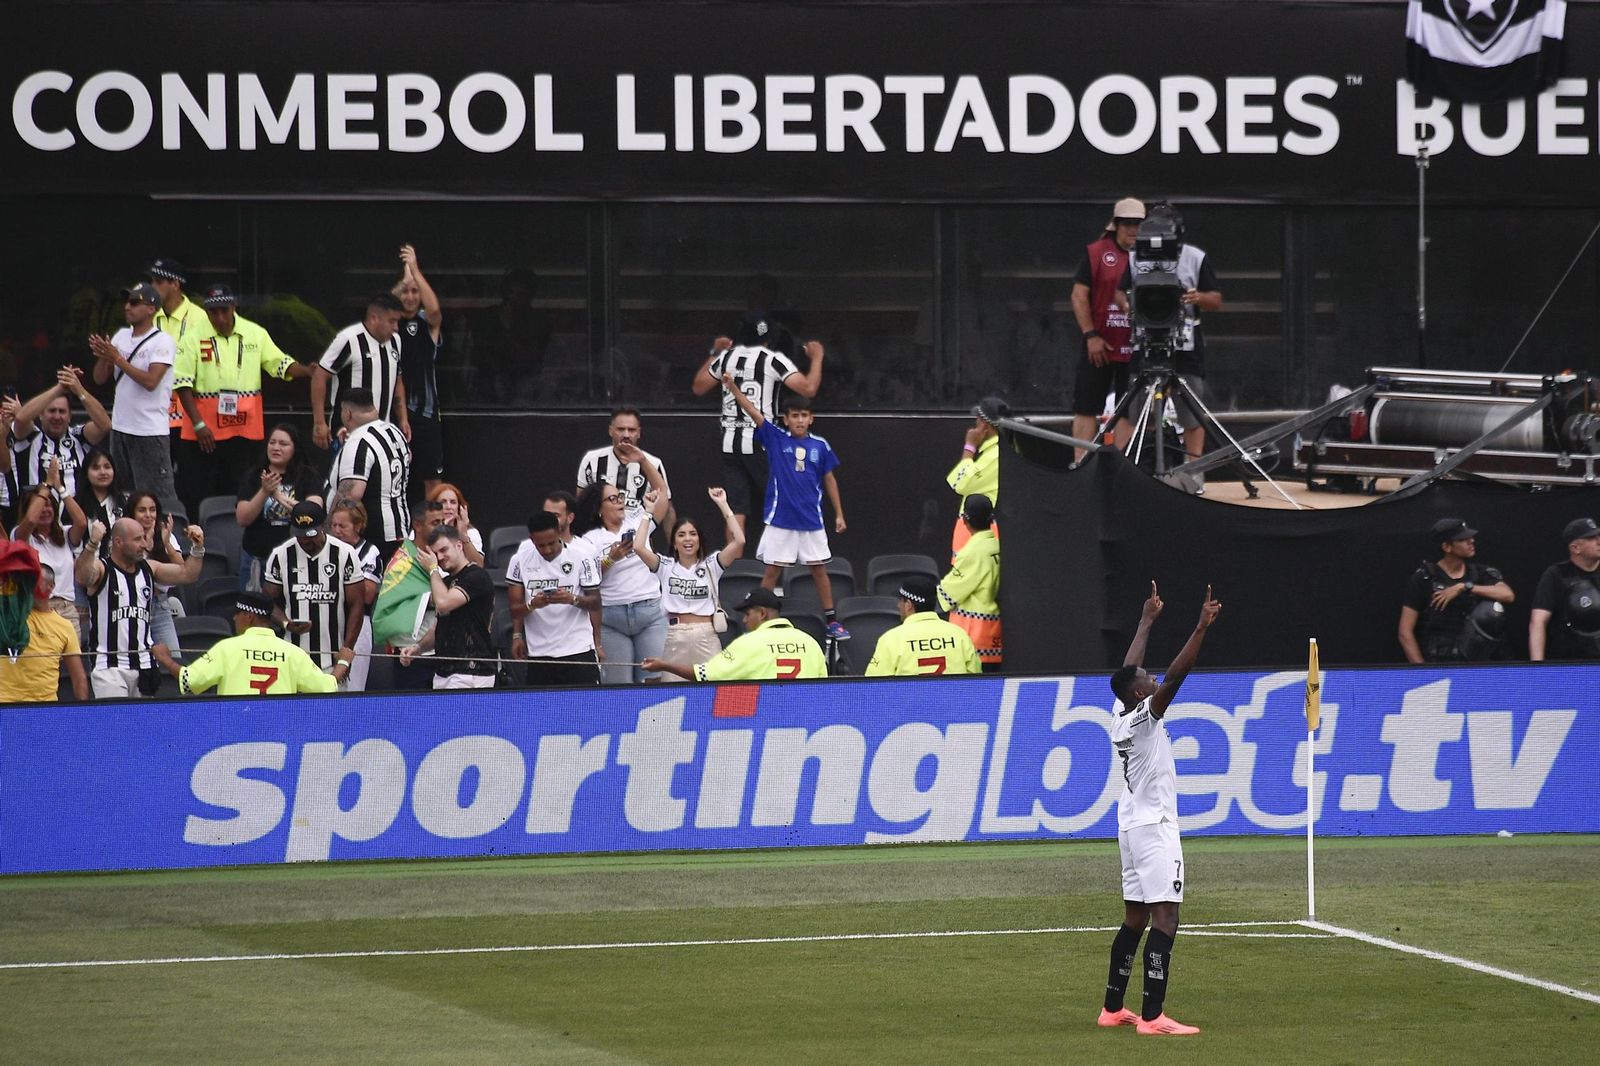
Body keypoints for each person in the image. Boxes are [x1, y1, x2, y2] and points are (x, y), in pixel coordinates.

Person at [1099, 581, 1221, 1037]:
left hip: (1131, 825)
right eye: (1146, 682)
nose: (1151, 681)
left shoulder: (1119, 713)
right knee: (1165, 916)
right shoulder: (1145, 718)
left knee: (1135, 917)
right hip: (1155, 826)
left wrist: (1146, 620)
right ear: (1139, 696)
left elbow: (1129, 670)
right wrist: (1200, 628)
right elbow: (1175, 677)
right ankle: (1153, 1017)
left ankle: (1113, 1008)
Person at [721, 372, 850, 641]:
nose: (799, 420)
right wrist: (732, 387)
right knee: (772, 571)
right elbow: (753, 412)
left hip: (811, 520)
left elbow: (829, 479)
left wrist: (839, 514)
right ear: (786, 419)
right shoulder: (776, 438)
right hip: (781, 519)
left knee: (819, 570)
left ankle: (831, 620)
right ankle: (757, 621)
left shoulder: (820, 446)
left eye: (804, 415)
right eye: (794, 415)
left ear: (811, 419)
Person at [171, 284, 312, 519]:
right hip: (204, 432)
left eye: (224, 311)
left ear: (234, 307)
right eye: (213, 312)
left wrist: (306, 371)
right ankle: (199, 533)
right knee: (199, 488)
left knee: (241, 485)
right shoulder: (192, 337)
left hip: (243, 429)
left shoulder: (255, 333)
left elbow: (279, 364)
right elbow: (182, 383)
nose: (220, 318)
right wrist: (198, 424)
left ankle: (236, 531)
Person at [1118, 203, 1224, 489]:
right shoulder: (1134, 258)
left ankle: (1193, 472)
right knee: (1141, 413)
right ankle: (1145, 467)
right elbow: (1119, 292)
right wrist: (1129, 305)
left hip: (1184, 342)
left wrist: (1197, 298)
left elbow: (1216, 299)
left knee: (1191, 413)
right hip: (1145, 341)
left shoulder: (1195, 258)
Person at [691, 313, 824, 533]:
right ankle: (785, 552)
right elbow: (808, 389)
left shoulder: (727, 358)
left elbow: (698, 387)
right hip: (762, 443)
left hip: (730, 443)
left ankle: (734, 554)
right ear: (769, 338)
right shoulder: (772, 360)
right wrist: (817, 358)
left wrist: (715, 352)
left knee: (736, 510)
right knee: (783, 499)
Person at [74, 516, 202, 698]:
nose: (144, 544)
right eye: (137, 539)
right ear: (118, 542)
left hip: (145, 665)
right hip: (109, 667)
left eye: (143, 537)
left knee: (143, 717)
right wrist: (92, 543)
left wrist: (197, 548)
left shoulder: (149, 568)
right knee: (118, 716)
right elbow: (82, 576)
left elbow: (187, 574)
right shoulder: (103, 568)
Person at [635, 487, 746, 677]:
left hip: (706, 634)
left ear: (699, 539)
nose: (688, 539)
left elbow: (739, 541)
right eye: (681, 534)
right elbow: (638, 546)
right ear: (674, 542)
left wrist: (723, 505)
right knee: (673, 689)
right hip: (674, 634)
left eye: (693, 534)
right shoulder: (665, 566)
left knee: (711, 684)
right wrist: (648, 511)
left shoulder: (712, 564)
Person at [88, 282, 180, 513]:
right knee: (123, 494)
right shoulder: (121, 336)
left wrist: (118, 359)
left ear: (151, 308)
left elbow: (151, 381)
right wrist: (104, 356)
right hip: (120, 428)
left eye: (135, 302)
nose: (128, 307)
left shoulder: (163, 341)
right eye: (127, 302)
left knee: (155, 498)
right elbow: (99, 378)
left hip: (148, 431)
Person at [576, 472, 671, 684]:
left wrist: (642, 460)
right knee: (618, 685)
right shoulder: (590, 539)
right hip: (612, 617)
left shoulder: (638, 520)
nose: (620, 501)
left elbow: (663, 493)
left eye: (620, 496)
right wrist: (611, 558)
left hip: (649, 611)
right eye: (612, 499)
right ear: (599, 508)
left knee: (652, 681)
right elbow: (588, 578)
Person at [1071, 198, 1144, 461]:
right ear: (1116, 225)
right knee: (1086, 407)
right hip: (1099, 345)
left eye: (1138, 224)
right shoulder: (1097, 252)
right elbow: (1079, 295)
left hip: (1135, 347)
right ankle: (1080, 464)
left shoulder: (1152, 257)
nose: (1133, 229)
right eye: (1127, 224)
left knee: (1128, 411)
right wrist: (1090, 335)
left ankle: (1119, 466)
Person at [263, 501, 363, 687]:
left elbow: (357, 604)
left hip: (332, 660)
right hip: (292, 660)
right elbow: (268, 601)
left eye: (310, 535)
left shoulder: (345, 554)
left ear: (323, 526)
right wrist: (286, 623)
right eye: (300, 535)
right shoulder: (281, 555)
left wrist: (346, 650)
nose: (305, 540)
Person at [645, 586, 827, 681]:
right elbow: (824, 689)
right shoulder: (810, 642)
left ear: (762, 614)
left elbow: (705, 675)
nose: (745, 620)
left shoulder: (749, 643)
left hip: (765, 722)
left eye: (747, 614)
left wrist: (665, 665)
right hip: (804, 725)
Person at [1398, 518, 1515, 664]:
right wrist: (1423, 671)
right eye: (1462, 539)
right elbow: (1405, 631)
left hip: (1480, 663)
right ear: (1447, 547)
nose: (1471, 541)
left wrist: (1464, 587)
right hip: (1442, 664)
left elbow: (1507, 595)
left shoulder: (1480, 573)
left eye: (1470, 537)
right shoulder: (1424, 578)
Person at [179, 590, 339, 696]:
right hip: (278, 734)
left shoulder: (227, 648)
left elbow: (189, 682)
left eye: (237, 613)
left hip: (235, 732)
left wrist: (167, 659)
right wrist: (343, 662)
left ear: (249, 616)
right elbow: (326, 688)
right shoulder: (293, 653)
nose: (234, 618)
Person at [507, 510, 603, 686]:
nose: (547, 550)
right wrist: (532, 606)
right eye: (540, 545)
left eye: (551, 543)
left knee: (584, 703)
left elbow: (596, 602)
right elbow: (514, 610)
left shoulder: (582, 557)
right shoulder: (519, 560)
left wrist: (571, 599)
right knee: (542, 704)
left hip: (578, 649)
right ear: (531, 539)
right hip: (539, 653)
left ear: (559, 532)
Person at [398, 524, 497, 689]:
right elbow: (438, 627)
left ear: (459, 545)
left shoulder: (476, 576)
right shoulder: (444, 583)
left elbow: (443, 604)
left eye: (444, 550)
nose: (440, 557)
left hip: (472, 671)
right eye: (435, 554)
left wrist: (432, 569)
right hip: (443, 672)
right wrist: (418, 648)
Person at [311, 292, 410, 451]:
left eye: (397, 322)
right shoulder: (349, 339)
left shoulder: (395, 341)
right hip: (347, 433)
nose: (396, 327)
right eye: (392, 321)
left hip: (381, 432)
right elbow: (319, 376)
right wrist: (319, 422)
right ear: (374, 318)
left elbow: (397, 380)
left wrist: (403, 419)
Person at [235, 423, 323, 590]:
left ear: (295, 448)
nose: (276, 448)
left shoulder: (307, 476)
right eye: (272, 442)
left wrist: (278, 497)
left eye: (283, 444)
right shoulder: (255, 476)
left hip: (296, 559)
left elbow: (312, 513)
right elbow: (242, 518)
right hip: (258, 557)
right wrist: (264, 492)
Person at [329, 387, 412, 561]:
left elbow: (350, 494)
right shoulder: (394, 431)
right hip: (400, 529)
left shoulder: (359, 441)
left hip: (373, 536)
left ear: (347, 413)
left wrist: (328, 528)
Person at [8, 366, 111, 497]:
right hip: (38, 507)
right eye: (52, 411)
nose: (57, 417)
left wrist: (79, 390)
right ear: (41, 415)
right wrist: (60, 388)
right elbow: (21, 418)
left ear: (70, 416)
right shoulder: (31, 436)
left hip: (77, 509)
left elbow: (105, 425)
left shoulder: (79, 436)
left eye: (62, 411)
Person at [395, 244, 446, 495]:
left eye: (415, 291)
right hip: (394, 413)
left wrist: (414, 270)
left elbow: (435, 310)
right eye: (405, 292)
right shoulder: (390, 324)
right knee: (394, 478)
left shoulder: (427, 322)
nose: (410, 296)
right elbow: (381, 307)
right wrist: (404, 281)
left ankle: (434, 521)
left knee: (432, 480)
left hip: (426, 412)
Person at [0, 563, 89, 702]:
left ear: (51, 587)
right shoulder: (10, 615)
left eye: (34, 580)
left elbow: (79, 677)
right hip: (6, 704)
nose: (28, 585)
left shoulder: (64, 626)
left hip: (46, 707)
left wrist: (84, 711)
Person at [575, 407, 674, 531]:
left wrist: (673, 544)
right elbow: (581, 503)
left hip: (639, 535)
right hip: (599, 535)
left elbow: (665, 505)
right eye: (621, 429)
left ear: (639, 432)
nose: (626, 435)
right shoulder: (592, 460)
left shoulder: (653, 464)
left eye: (631, 430)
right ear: (611, 431)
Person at [864, 575, 981, 676]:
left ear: (908, 605)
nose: (898, 605)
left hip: (909, 697)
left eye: (900, 600)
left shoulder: (891, 640)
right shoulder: (960, 636)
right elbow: (977, 680)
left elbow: (873, 685)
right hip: (954, 696)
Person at [124, 490, 190, 661]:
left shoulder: (165, 534)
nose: (148, 515)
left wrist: (167, 543)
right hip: (131, 608)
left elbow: (182, 571)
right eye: (142, 510)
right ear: (132, 512)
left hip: (159, 607)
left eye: (152, 510)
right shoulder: (123, 537)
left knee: (173, 659)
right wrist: (146, 546)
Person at [937, 493, 1001, 670]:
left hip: (975, 636)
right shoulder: (998, 546)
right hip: (996, 633)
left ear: (965, 521)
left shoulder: (972, 552)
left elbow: (948, 594)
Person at [11, 479, 86, 624]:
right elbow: (31, 520)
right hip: (37, 609)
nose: (45, 510)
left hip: (67, 609)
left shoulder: (65, 534)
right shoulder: (21, 535)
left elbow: (81, 522)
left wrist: (60, 488)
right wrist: (47, 485)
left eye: (49, 505)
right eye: (39, 506)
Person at [329, 499, 384, 691]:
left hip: (358, 624)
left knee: (353, 686)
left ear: (358, 526)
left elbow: (366, 594)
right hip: (329, 622)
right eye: (334, 525)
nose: (336, 531)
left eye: (342, 526)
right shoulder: (326, 550)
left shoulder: (369, 552)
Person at [1530, 516, 1600, 662]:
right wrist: (1536, 667)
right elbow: (1538, 621)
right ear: (1575, 548)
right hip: (1569, 662)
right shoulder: (1557, 574)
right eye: (1591, 538)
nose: (1598, 541)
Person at [947, 395, 1006, 557]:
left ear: (984, 424)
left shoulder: (995, 455)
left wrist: (969, 447)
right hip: (981, 531)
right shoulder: (998, 452)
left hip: (978, 533)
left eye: (977, 420)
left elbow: (960, 483)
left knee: (966, 570)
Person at [147, 257, 211, 349]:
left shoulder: (199, 318)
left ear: (175, 285)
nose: (152, 286)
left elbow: (205, 356)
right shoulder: (146, 314)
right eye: (152, 281)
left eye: (159, 282)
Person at [428, 482, 485, 564]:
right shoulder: (423, 532)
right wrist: (441, 531)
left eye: (453, 502)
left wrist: (463, 536)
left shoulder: (471, 533)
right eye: (443, 502)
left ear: (460, 507)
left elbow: (479, 565)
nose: (448, 507)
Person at [72, 447, 122, 534]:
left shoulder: (123, 501)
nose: (103, 472)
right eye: (96, 468)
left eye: (107, 467)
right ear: (86, 473)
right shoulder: (74, 504)